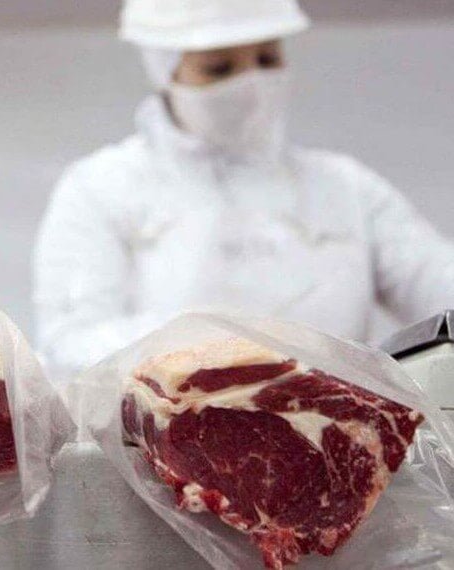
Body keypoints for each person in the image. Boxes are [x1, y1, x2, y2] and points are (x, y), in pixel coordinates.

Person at [33, 0, 454, 379]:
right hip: (168, 438)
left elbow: (439, 285)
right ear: (165, 70)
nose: (251, 82)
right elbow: (70, 344)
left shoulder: (346, 188)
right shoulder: (100, 188)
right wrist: (202, 349)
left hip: (337, 431)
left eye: (267, 59)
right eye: (219, 68)